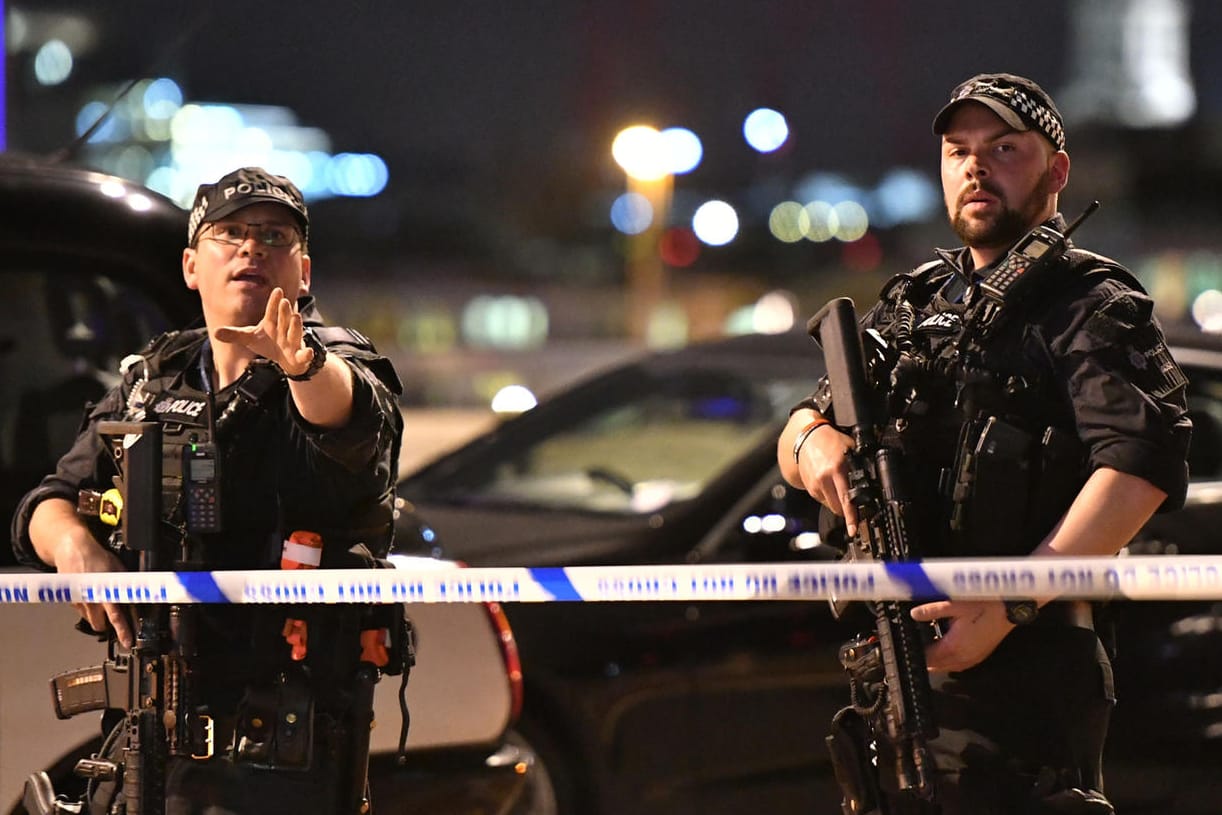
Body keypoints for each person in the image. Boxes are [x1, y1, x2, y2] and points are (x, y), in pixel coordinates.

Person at [778, 73, 1191, 813]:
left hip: (1028, 667)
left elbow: (1140, 462)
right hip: (899, 664)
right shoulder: (917, 303)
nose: (975, 166)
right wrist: (813, 443)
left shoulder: (1090, 303)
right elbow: (801, 424)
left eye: (1003, 148)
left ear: (1056, 171)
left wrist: (1006, 603)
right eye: (958, 150)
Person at [11, 167, 404, 815]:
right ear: (192, 265)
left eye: (274, 236)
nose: (252, 248)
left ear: (302, 272)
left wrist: (300, 362)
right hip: (154, 724)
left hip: (283, 739)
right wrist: (76, 547)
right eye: (231, 233)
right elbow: (46, 501)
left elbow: (352, 422)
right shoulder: (154, 379)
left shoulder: (335, 365)